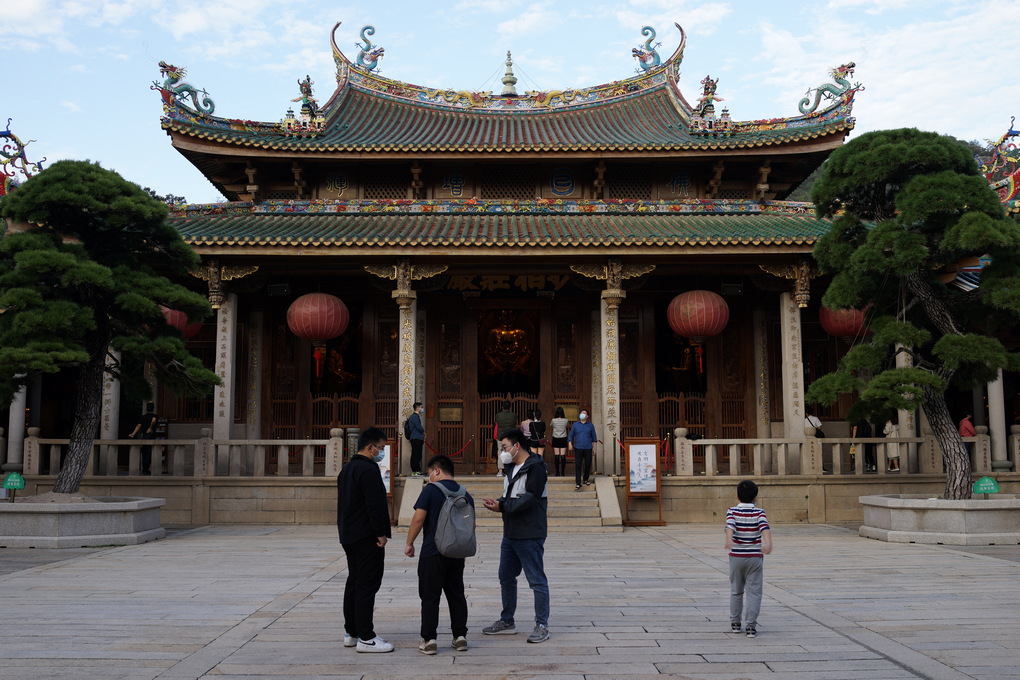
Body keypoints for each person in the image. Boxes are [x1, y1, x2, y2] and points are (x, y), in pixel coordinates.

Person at [481, 428, 551, 644]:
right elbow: (510, 496)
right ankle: (507, 620)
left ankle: (542, 624)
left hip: (530, 532)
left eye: (505, 447)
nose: (503, 451)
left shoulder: (536, 467)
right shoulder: (511, 467)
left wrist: (502, 508)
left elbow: (530, 498)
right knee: (506, 577)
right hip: (510, 532)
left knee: (536, 580)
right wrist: (499, 502)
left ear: (517, 446)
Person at [405, 454, 473, 655]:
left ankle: (429, 640)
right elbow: (472, 524)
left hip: (432, 552)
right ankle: (460, 637)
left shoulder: (431, 490)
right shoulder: (464, 493)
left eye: (429, 473)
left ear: (436, 470)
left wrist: (409, 543)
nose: (429, 477)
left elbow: (418, 519)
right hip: (456, 552)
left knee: (430, 597)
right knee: (456, 595)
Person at [337, 426, 394, 653]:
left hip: (349, 534)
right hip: (366, 535)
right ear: (370, 447)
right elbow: (374, 505)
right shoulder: (368, 470)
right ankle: (366, 637)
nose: (380, 452)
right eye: (380, 448)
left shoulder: (348, 469)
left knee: (354, 581)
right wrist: (380, 533)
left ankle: (351, 632)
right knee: (367, 584)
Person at [725, 479, 772, 638]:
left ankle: (735, 623)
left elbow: (730, 525)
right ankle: (751, 626)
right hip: (754, 557)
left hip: (737, 556)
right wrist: (768, 543)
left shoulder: (731, 511)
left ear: (737, 496)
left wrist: (729, 539)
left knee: (736, 591)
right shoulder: (759, 512)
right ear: (755, 497)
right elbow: (764, 527)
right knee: (754, 592)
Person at [567, 409, 596, 491]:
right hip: (578, 447)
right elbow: (571, 435)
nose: (582, 414)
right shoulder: (575, 425)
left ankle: (586, 479)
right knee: (578, 465)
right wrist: (570, 443)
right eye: (581, 413)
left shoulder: (590, 425)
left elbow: (594, 438)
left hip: (588, 447)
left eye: (584, 413)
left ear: (587, 416)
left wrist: (595, 448)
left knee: (587, 464)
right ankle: (578, 483)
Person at [127, 402, 158, 475]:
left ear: (146, 409)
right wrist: (150, 428)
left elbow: (138, 426)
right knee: (148, 454)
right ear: (153, 409)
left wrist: (133, 433)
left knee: (144, 453)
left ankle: (144, 469)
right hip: (150, 436)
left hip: (144, 436)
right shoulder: (154, 416)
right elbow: (153, 420)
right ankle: (146, 470)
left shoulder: (143, 417)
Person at [493, 401, 517, 476]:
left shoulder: (498, 415)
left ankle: (500, 471)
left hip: (501, 436)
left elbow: (497, 423)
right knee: (511, 452)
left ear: (502, 407)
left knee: (500, 452)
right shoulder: (514, 415)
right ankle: (510, 470)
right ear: (510, 407)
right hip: (510, 436)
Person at [549, 407, 569, 477]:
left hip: (556, 438)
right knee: (563, 455)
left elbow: (551, 425)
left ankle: (557, 472)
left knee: (556, 455)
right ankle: (563, 472)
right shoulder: (565, 420)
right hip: (563, 438)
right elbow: (567, 425)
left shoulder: (553, 420)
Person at [408, 402, 426, 476]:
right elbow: (418, 427)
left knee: (417, 455)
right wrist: (423, 432)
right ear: (417, 408)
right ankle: (416, 471)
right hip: (416, 438)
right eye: (421, 407)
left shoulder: (416, 416)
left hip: (417, 438)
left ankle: (417, 471)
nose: (422, 409)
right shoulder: (414, 417)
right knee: (416, 455)